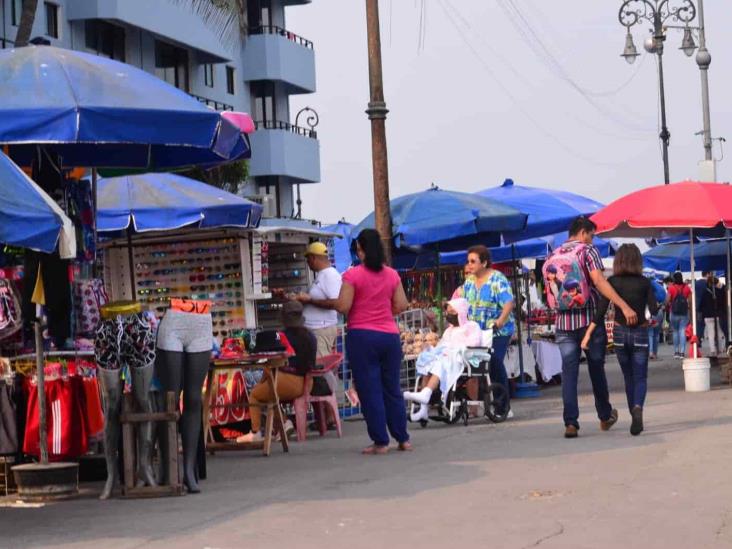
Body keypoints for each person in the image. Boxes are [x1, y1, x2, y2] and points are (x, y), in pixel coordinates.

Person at [545, 217, 638, 439]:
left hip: (563, 323)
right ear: (584, 232)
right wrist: (623, 305)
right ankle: (605, 416)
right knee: (596, 368)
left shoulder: (553, 254)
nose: (592, 239)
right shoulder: (588, 251)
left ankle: (571, 423)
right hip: (589, 322)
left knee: (569, 373)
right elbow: (599, 282)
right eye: (592, 235)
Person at [334, 229, 411, 455]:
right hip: (389, 336)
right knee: (392, 388)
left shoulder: (352, 275)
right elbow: (402, 304)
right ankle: (403, 438)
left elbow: (343, 306)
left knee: (370, 390)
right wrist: (383, 312)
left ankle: (380, 441)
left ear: (361, 250)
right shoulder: (391, 274)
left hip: (362, 336)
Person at [582, 244, 658, 436]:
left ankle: (633, 412)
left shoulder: (613, 282)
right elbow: (654, 309)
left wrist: (588, 333)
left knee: (628, 377)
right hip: (640, 333)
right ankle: (638, 407)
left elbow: (601, 310)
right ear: (638, 261)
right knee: (640, 377)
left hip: (619, 334)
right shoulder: (644, 282)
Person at [237, 301, 316, 443]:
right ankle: (283, 423)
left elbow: (275, 360)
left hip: (286, 379)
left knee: (255, 395)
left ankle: (256, 432)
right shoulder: (311, 336)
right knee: (269, 388)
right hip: (305, 382)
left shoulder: (281, 336)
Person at [454, 245, 514, 418]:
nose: (470, 265)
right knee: (474, 365)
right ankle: (477, 402)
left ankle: (504, 406)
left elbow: (509, 302)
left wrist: (501, 320)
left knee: (494, 360)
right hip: (477, 331)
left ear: (484, 262)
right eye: (468, 261)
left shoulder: (497, 279)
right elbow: (461, 301)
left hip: (499, 331)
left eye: (473, 261)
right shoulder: (469, 281)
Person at [403, 298, 482, 422]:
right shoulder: (448, 331)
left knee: (441, 363)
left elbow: (475, 342)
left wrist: (453, 349)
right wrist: (430, 348)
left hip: (462, 359)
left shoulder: (472, 326)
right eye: (448, 311)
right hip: (446, 359)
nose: (448, 314)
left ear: (460, 312)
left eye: (452, 311)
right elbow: (441, 346)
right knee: (428, 366)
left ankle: (426, 394)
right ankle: (424, 408)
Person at [295, 241, 343, 429]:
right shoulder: (322, 276)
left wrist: (309, 300)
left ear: (314, 258)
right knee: (319, 372)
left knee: (321, 372)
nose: (308, 263)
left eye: (308, 259)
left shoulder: (329, 276)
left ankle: (330, 416)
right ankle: (324, 416)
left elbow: (335, 302)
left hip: (322, 329)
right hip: (317, 329)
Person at [701, 274, 726, 358]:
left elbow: (701, 304)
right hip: (718, 314)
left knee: (711, 333)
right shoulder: (719, 291)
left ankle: (713, 350)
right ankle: (722, 348)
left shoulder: (705, 292)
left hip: (708, 316)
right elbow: (722, 302)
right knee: (719, 332)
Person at [668, 272, 692, 359]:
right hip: (684, 313)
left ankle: (676, 352)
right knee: (682, 331)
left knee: (675, 331)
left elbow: (667, 300)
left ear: (674, 279)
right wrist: (691, 312)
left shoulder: (671, 288)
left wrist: (668, 305)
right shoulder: (687, 288)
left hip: (673, 312)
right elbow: (690, 301)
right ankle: (682, 352)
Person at [648, 275, 667, 360]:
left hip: (650, 311)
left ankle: (650, 352)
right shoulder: (660, 287)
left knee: (650, 333)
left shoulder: (648, 288)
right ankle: (655, 353)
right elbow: (665, 300)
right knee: (656, 334)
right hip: (659, 311)